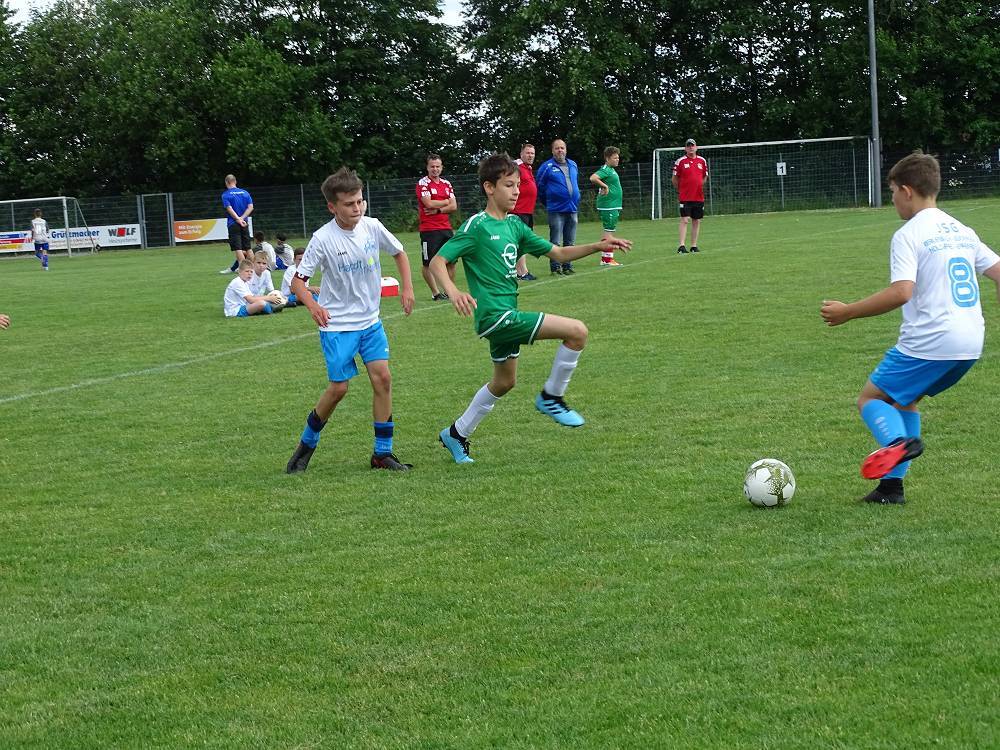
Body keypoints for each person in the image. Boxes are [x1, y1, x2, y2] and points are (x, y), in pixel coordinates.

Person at [820, 151, 1000, 505]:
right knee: (906, 400)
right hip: (969, 343)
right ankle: (891, 490)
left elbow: (901, 292)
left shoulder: (908, 234)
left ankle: (895, 445)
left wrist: (848, 312)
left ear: (906, 191)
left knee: (870, 398)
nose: (891, 201)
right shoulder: (962, 230)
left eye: (890, 193)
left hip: (930, 341)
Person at [430, 153, 631, 465]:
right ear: (488, 187)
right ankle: (552, 397)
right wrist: (454, 290)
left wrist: (597, 246)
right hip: (495, 317)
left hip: (504, 316)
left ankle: (456, 433)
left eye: (518, 185)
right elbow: (438, 261)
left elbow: (560, 253)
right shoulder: (476, 227)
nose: (516, 191)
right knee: (577, 331)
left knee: (504, 382)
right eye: (509, 185)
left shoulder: (515, 226)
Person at [286, 167, 416, 474]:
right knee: (339, 389)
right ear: (332, 206)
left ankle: (382, 454)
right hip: (338, 325)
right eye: (349, 204)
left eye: (360, 201)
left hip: (370, 322)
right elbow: (297, 281)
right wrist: (312, 306)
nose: (357, 208)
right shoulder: (323, 238)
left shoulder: (372, 226)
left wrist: (407, 287)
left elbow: (399, 253)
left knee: (383, 378)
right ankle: (306, 444)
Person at [536, 139, 581, 275]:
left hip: (572, 208)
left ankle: (568, 266)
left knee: (570, 241)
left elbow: (574, 184)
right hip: (555, 209)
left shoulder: (573, 165)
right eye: (557, 148)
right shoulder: (547, 166)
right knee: (555, 241)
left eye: (562, 148)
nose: (560, 150)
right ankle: (555, 267)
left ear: (566, 150)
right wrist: (549, 201)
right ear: (552, 150)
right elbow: (540, 187)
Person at [416, 153, 458, 300]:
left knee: (451, 261)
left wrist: (439, 208)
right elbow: (428, 203)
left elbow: (454, 206)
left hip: (446, 228)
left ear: (441, 167)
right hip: (429, 230)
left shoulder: (447, 184)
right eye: (432, 166)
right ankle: (435, 293)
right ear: (427, 167)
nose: (435, 169)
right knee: (428, 263)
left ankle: (449, 290)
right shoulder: (423, 183)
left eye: (437, 166)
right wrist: (446, 201)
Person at [589, 146, 625, 267]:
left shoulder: (611, 169)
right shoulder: (606, 169)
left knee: (609, 232)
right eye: (615, 158)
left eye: (618, 157)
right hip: (608, 205)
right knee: (608, 233)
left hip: (613, 205)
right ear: (607, 158)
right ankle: (606, 260)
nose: (617, 159)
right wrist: (604, 186)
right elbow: (593, 177)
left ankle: (606, 258)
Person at [671, 138, 708, 253]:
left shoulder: (702, 161)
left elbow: (705, 176)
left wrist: (699, 185)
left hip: (698, 196)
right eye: (688, 146)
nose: (691, 147)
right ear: (685, 148)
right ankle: (681, 246)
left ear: (696, 147)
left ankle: (693, 246)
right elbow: (674, 178)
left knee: (696, 220)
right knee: (685, 219)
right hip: (685, 196)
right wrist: (681, 189)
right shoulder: (680, 161)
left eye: (692, 145)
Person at [512, 143, 538, 281]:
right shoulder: (516, 167)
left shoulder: (528, 168)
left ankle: (520, 270)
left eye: (532, 153)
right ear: (521, 154)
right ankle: (522, 271)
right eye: (528, 153)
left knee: (523, 242)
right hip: (518, 211)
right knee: (520, 242)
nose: (530, 155)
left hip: (527, 211)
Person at [219, 174, 254, 273]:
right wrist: (242, 218)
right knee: (248, 248)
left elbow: (229, 208)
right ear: (235, 181)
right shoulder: (245, 193)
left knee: (238, 248)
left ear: (226, 182)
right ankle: (255, 268)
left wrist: (237, 219)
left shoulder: (226, 195)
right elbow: (251, 207)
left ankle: (244, 270)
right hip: (244, 223)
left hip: (233, 223)